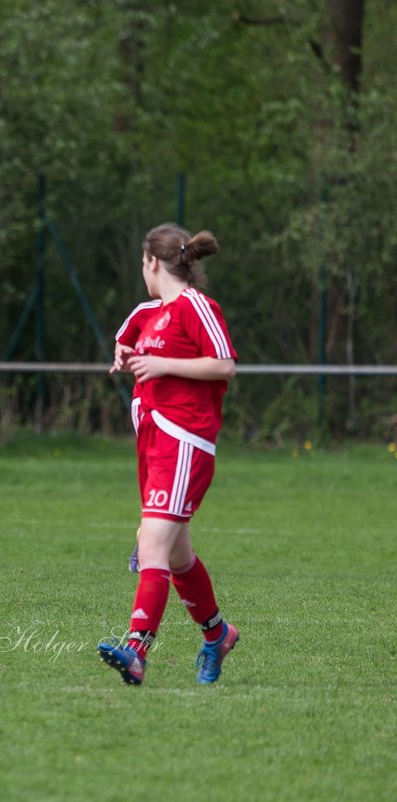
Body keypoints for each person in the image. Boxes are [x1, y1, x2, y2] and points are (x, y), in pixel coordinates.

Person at [98, 224, 240, 685]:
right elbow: (128, 339)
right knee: (177, 556)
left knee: (153, 544)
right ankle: (217, 635)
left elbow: (223, 365)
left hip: (184, 441)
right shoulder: (149, 313)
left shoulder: (197, 306)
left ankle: (136, 650)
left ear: (153, 263)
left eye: (143, 264)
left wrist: (161, 365)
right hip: (154, 444)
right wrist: (124, 355)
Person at [112, 299, 161, 573]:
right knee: (158, 473)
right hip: (148, 404)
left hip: (185, 409)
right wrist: (133, 359)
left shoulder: (198, 309)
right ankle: (149, 547)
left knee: (181, 482)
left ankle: (151, 540)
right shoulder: (145, 311)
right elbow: (121, 350)